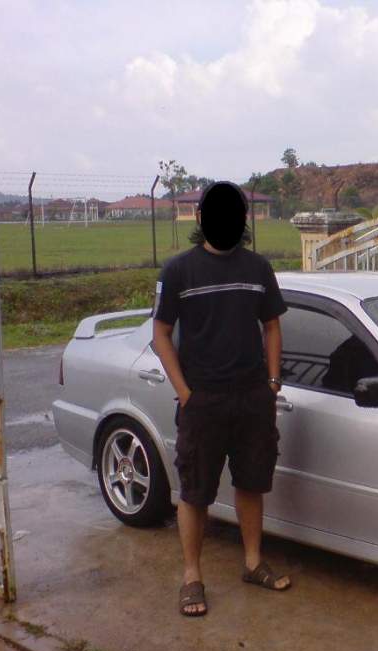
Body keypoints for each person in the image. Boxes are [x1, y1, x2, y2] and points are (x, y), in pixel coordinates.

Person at [152, 181, 290, 617]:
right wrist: (185, 393)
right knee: (195, 493)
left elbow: (272, 325)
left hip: (252, 398)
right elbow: (161, 334)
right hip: (203, 402)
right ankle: (192, 578)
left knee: (251, 483)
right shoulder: (178, 271)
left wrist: (271, 383)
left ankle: (252, 563)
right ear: (201, 219)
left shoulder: (258, 268)